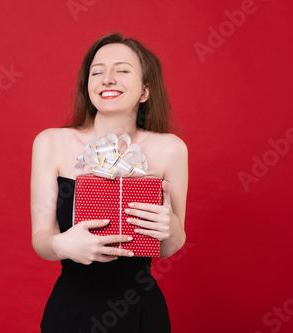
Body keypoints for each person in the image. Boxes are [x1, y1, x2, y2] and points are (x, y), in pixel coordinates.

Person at [31, 33, 188, 332]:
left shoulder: (171, 149)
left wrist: (173, 228)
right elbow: (40, 237)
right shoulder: (51, 143)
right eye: (97, 71)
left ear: (145, 90)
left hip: (141, 312)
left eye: (122, 70)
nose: (107, 79)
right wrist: (61, 244)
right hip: (71, 310)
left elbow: (170, 245)